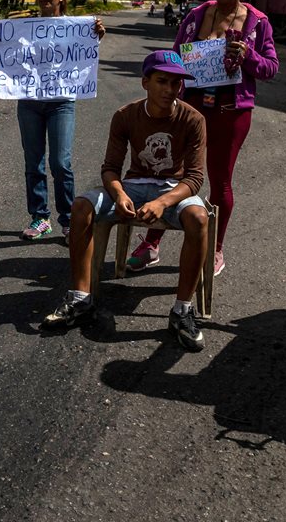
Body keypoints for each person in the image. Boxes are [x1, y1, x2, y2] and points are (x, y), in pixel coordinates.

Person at [42, 50, 210, 351]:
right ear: (145, 82)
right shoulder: (125, 115)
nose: (170, 90)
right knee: (81, 206)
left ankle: (182, 310)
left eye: (176, 83)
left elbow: (195, 178)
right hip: (132, 185)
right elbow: (110, 168)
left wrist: (163, 202)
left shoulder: (193, 119)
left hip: (173, 188)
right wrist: (119, 195)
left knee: (199, 218)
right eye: (162, 81)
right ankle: (80, 298)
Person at [132, 0, 279, 278]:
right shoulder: (197, 15)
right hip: (191, 107)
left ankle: (214, 248)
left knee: (220, 181)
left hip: (231, 112)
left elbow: (270, 68)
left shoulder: (257, 22)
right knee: (171, 172)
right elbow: (175, 56)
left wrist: (248, 55)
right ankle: (152, 242)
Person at [0, 0, 105, 242]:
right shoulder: (23, 26)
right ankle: (40, 217)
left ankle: (70, 219)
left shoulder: (77, 27)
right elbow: (7, 51)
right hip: (29, 102)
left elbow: (85, 53)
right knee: (33, 162)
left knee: (61, 162)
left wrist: (96, 34)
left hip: (61, 103)